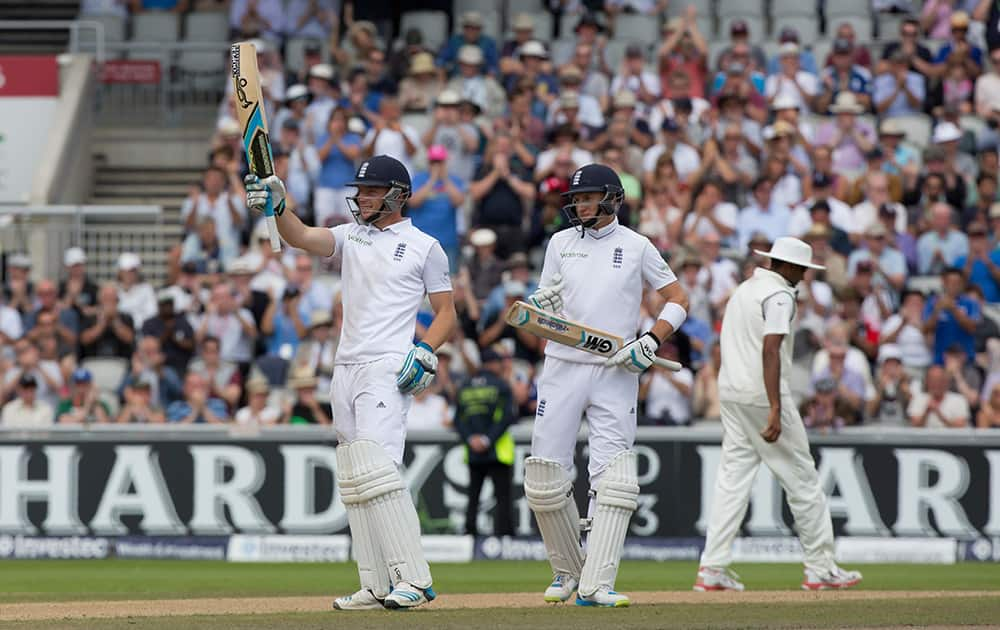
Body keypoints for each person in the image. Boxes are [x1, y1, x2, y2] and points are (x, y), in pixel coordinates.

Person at [245, 153, 456, 610]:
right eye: (359, 190)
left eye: (370, 190)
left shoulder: (425, 246)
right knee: (357, 478)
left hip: (387, 365)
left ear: (397, 195)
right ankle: (376, 582)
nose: (360, 198)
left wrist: (425, 349)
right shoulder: (350, 237)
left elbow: (446, 314)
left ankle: (414, 579)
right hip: (346, 366)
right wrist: (277, 204)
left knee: (380, 472)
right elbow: (298, 235)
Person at [523, 164, 689, 607]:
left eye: (587, 198)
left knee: (612, 477)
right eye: (575, 199)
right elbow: (544, 306)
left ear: (612, 199)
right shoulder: (560, 243)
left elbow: (678, 299)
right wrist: (542, 306)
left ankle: (598, 581)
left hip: (616, 367)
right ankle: (566, 571)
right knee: (544, 472)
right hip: (562, 364)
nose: (578, 205)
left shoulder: (636, 246)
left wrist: (651, 340)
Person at [696, 237, 862, 592]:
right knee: (803, 479)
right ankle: (820, 568)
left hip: (732, 393)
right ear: (785, 266)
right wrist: (775, 406)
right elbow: (771, 349)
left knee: (732, 480)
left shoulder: (745, 289)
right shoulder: (779, 295)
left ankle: (711, 569)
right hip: (761, 395)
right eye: (801, 268)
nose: (803, 275)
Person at [453, 345, 516, 537]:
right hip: (498, 450)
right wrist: (488, 439)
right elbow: (507, 416)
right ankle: (504, 536)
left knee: (474, 496)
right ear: (494, 364)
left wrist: (471, 439)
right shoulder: (501, 385)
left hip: (472, 450)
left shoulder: (465, 385)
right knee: (503, 497)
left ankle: (469, 534)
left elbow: (458, 419)